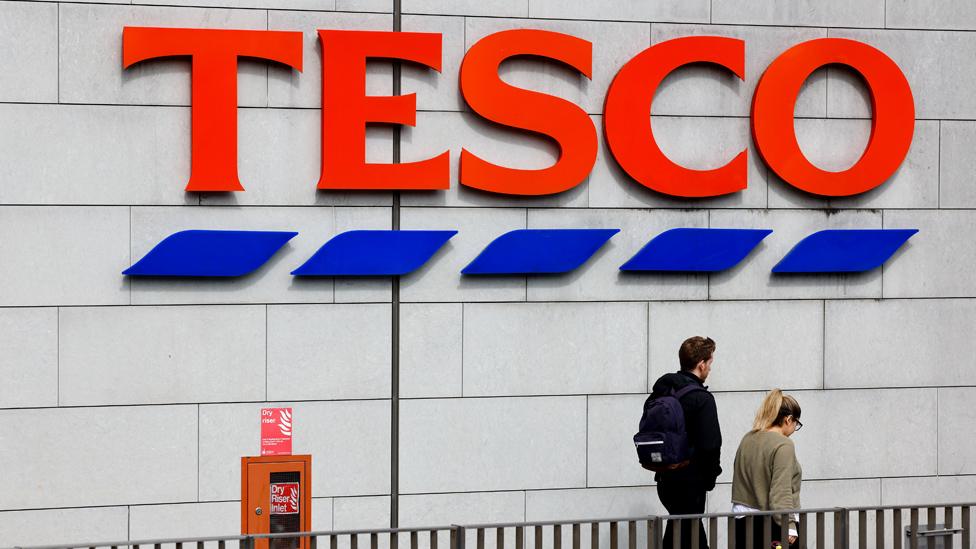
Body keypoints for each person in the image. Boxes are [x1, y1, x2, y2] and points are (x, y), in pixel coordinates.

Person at [651, 336, 722, 549]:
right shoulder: (702, 399)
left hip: (665, 479)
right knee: (689, 533)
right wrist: (710, 478)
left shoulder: (662, 390)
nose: (710, 369)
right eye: (710, 364)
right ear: (701, 365)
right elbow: (711, 445)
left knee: (678, 529)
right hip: (690, 482)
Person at [731, 389, 803, 549]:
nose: (795, 428)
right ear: (788, 419)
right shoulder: (783, 444)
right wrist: (789, 526)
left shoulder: (748, 438)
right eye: (796, 423)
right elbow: (781, 491)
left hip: (743, 521)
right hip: (774, 524)